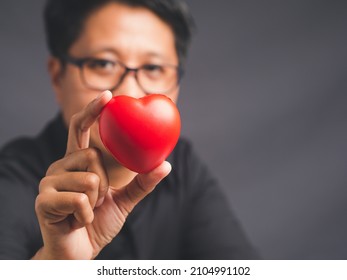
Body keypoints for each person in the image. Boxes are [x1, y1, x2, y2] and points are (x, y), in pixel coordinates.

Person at [0, 0, 259, 260]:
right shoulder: (10, 178)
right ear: (58, 77)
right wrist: (58, 264)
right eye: (103, 64)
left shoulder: (182, 167)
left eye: (153, 68)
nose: (130, 92)